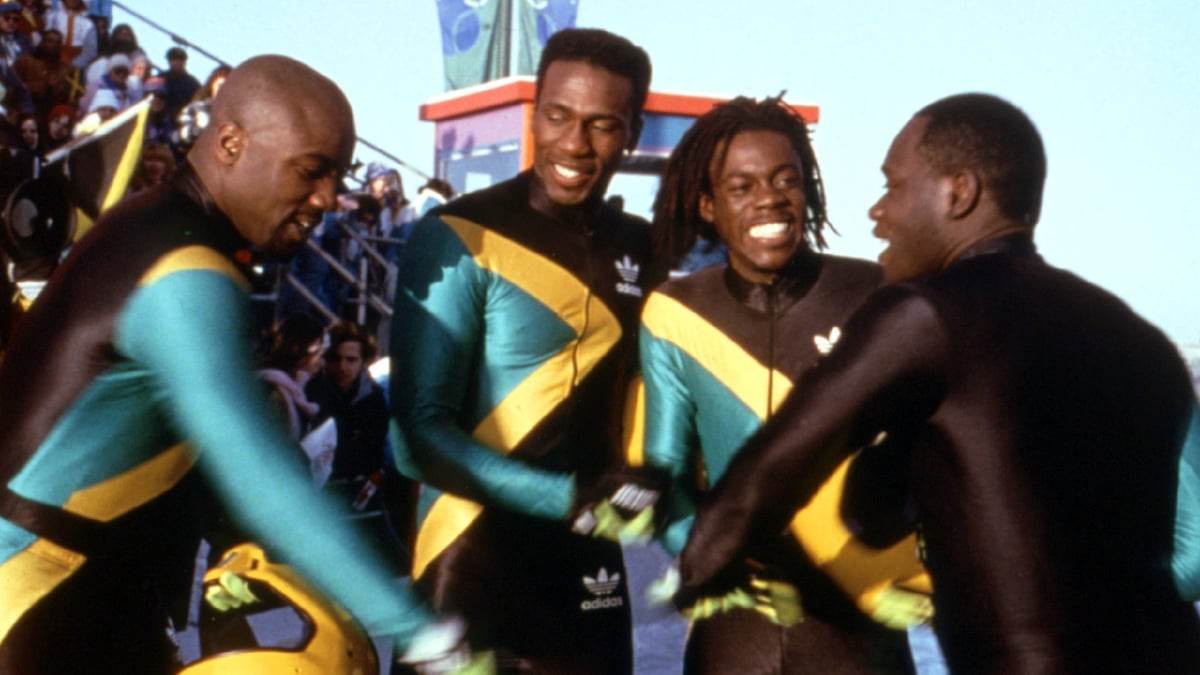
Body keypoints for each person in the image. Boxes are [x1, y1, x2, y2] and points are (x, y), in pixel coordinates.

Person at [673, 92, 1200, 674]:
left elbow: (765, 479)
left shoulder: (924, 316)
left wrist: (702, 566)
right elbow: (1195, 551)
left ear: (959, 193)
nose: (877, 212)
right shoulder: (1148, 345)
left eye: (893, 186)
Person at [0, 54, 478, 674]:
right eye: (312, 171)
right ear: (229, 143)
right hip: (37, 594)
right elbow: (260, 476)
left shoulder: (164, 230)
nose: (329, 198)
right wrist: (424, 633)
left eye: (337, 175)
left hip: (87, 586)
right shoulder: (185, 269)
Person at [391, 27, 660, 673]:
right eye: (558, 116)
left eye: (601, 124)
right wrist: (569, 497)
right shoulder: (459, 233)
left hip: (589, 569)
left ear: (631, 131)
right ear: (535, 111)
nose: (573, 142)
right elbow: (417, 435)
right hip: (469, 561)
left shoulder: (645, 245)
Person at [641, 95, 923, 674]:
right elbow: (666, 481)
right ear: (707, 205)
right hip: (733, 639)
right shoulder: (674, 312)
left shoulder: (878, 293)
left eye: (784, 180)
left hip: (858, 637)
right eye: (740, 187)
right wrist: (717, 560)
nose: (768, 197)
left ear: (808, 191)